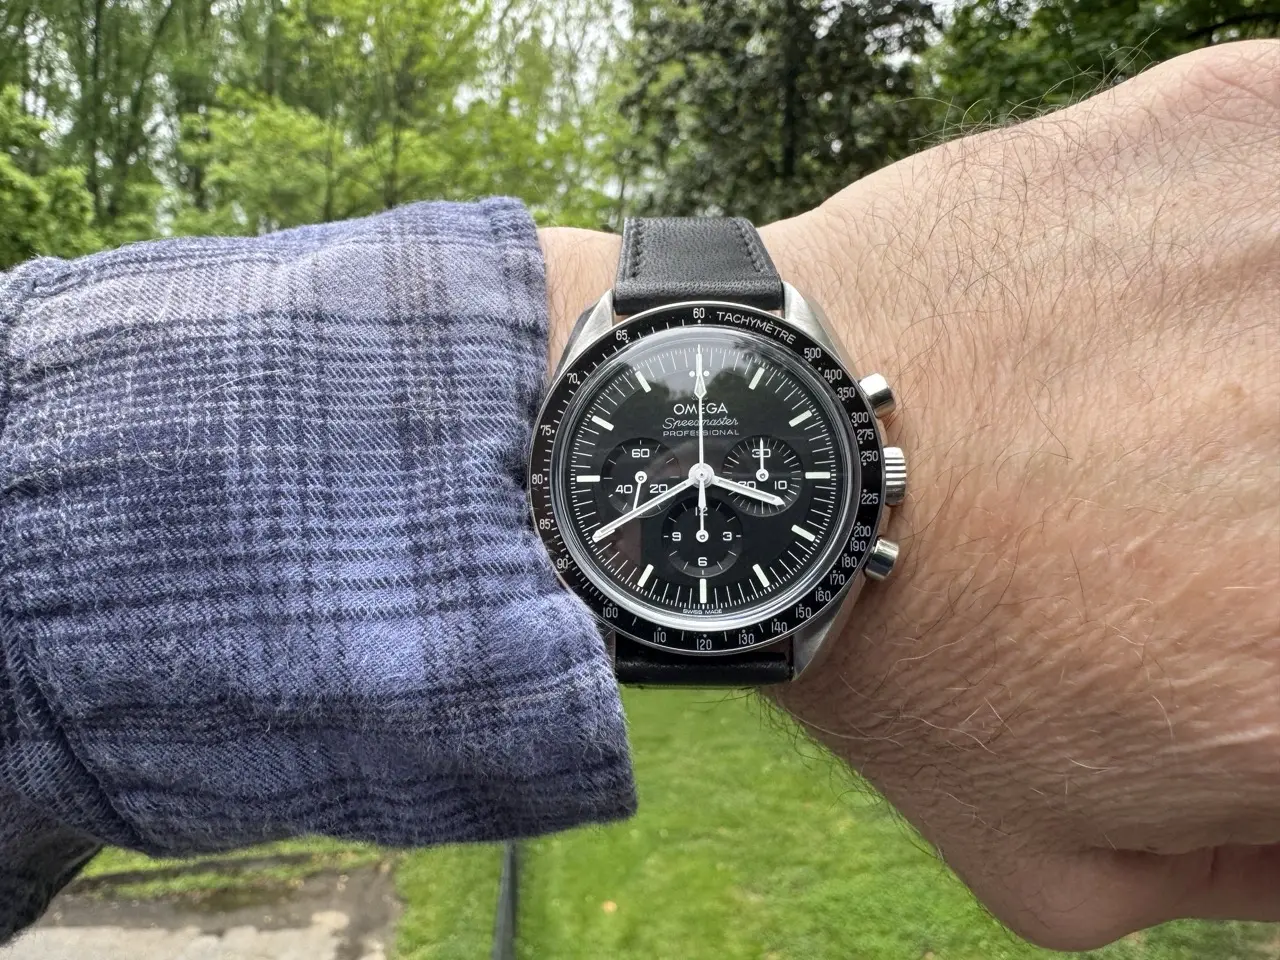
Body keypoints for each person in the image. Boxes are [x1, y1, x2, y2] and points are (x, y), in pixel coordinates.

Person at [1, 39, 1276, 949]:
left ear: (868, 470)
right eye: (681, 462)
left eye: (731, 464)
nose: (706, 474)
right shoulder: (609, 446)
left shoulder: (793, 475)